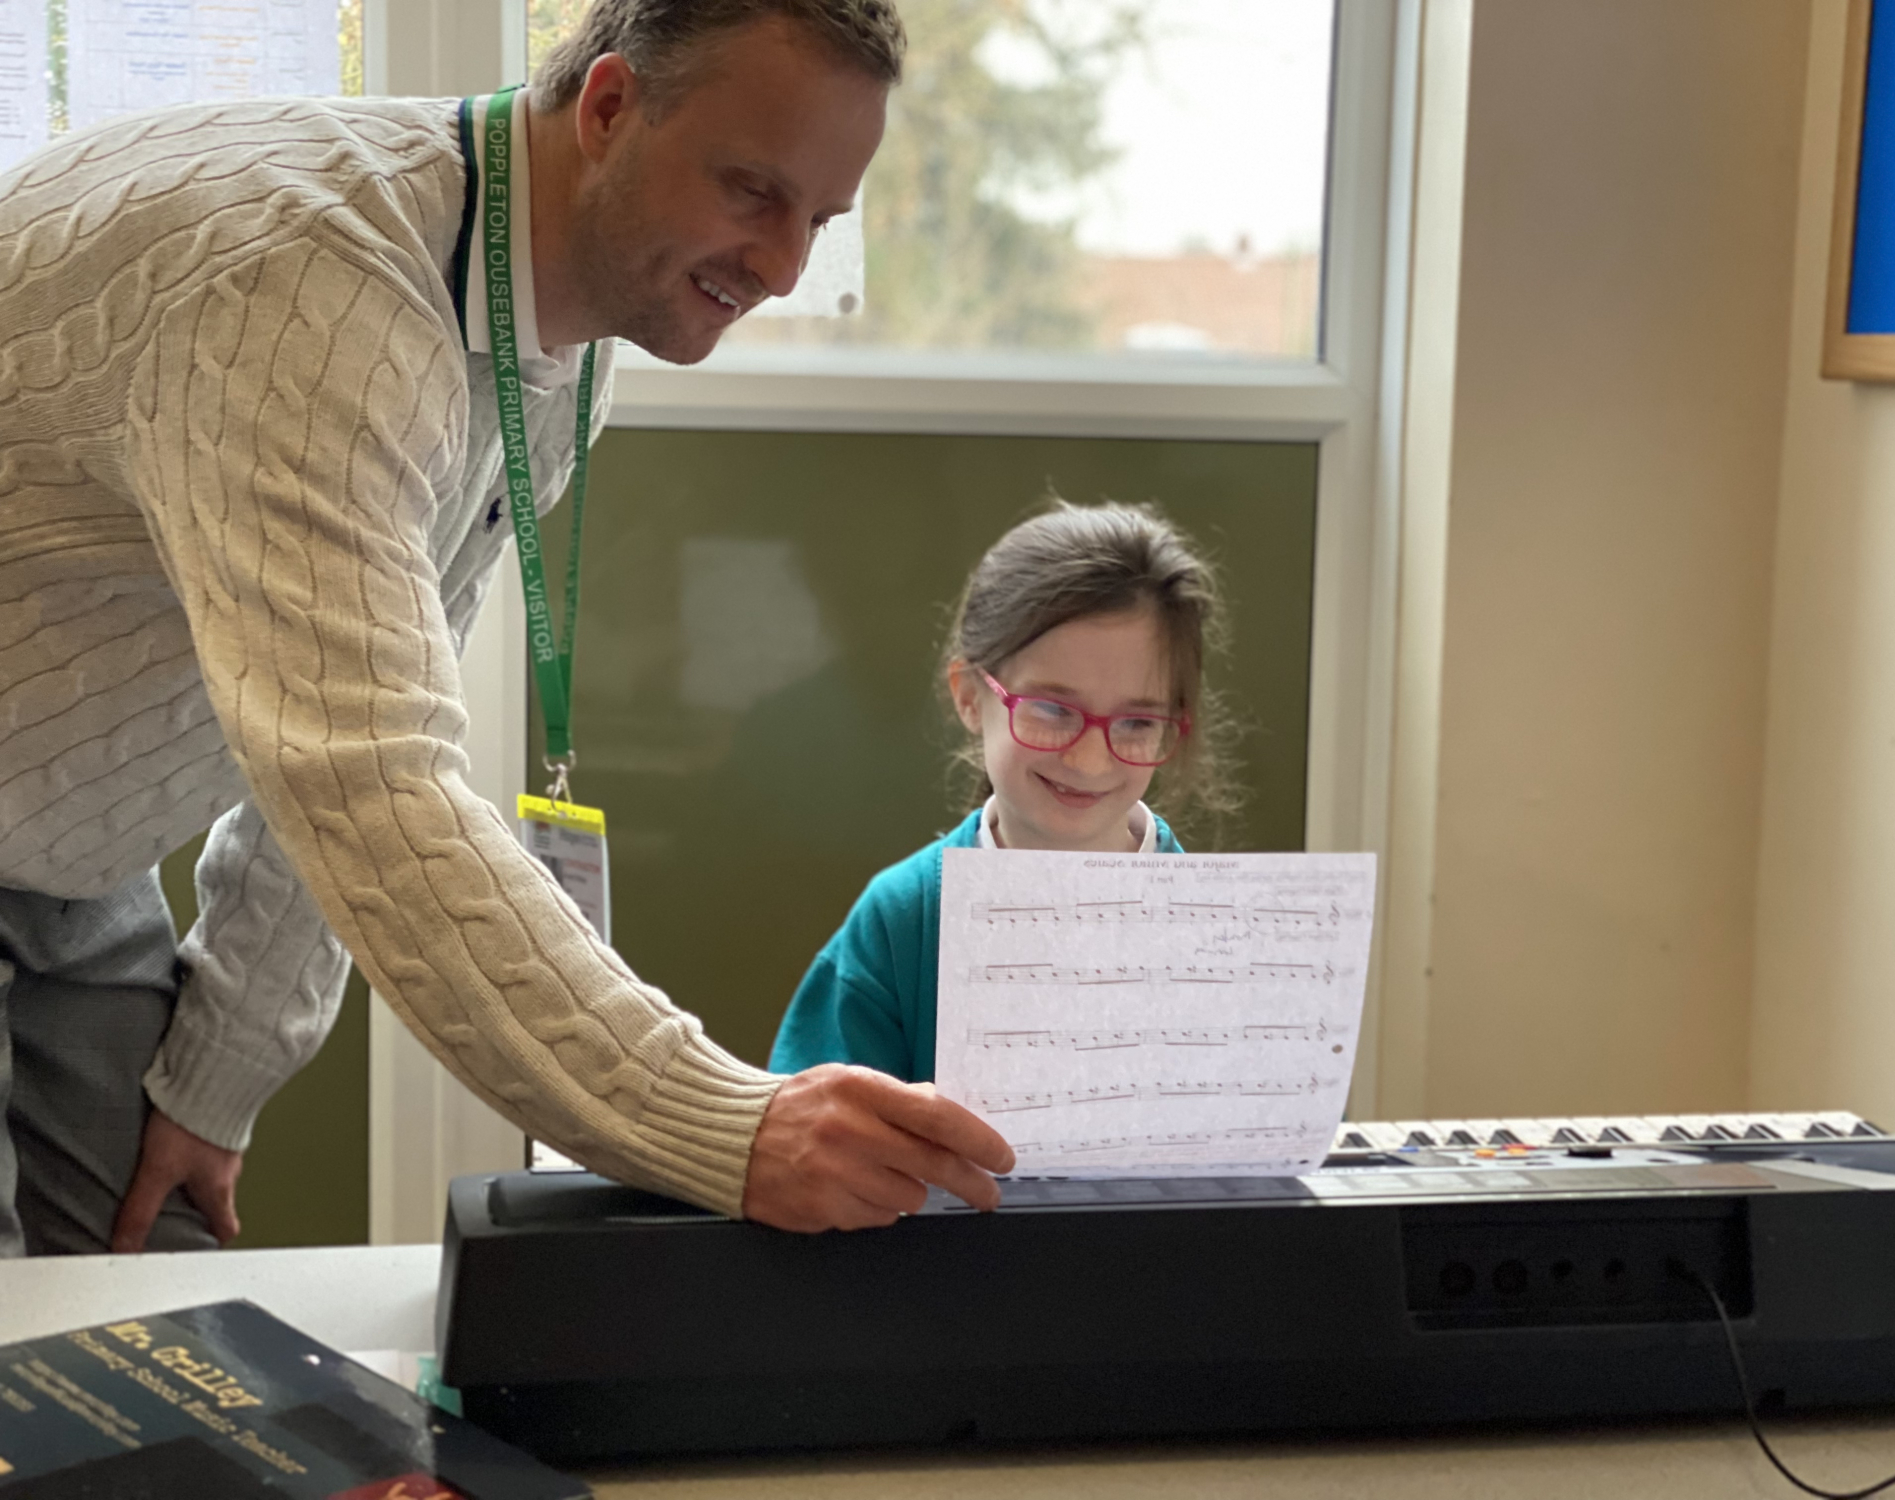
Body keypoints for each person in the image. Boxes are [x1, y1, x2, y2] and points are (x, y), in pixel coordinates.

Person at [0, 0, 1015, 1256]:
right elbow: (368, 785)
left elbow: (335, 704)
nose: (783, 267)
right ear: (608, 108)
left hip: (68, 846)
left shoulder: (555, 331)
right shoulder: (311, 292)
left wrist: (216, 1077)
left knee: (148, 1286)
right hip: (44, 811)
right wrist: (726, 1125)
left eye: (819, 219)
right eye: (753, 191)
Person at [770, 501, 1237, 1083]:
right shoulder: (901, 922)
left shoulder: (1225, 934)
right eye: (1051, 709)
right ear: (970, 696)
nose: (1090, 759)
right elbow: (817, 1125)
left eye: (1138, 722)